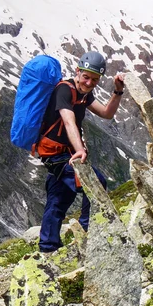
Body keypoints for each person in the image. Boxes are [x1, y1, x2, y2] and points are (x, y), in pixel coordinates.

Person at [34, 50, 125, 253]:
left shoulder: (83, 94)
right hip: (57, 153)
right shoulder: (64, 91)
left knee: (59, 198)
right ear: (77, 71)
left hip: (62, 153)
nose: (89, 83)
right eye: (86, 77)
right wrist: (80, 150)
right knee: (96, 182)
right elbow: (69, 121)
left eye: (94, 79)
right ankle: (87, 229)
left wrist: (117, 92)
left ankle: (48, 246)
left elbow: (106, 113)